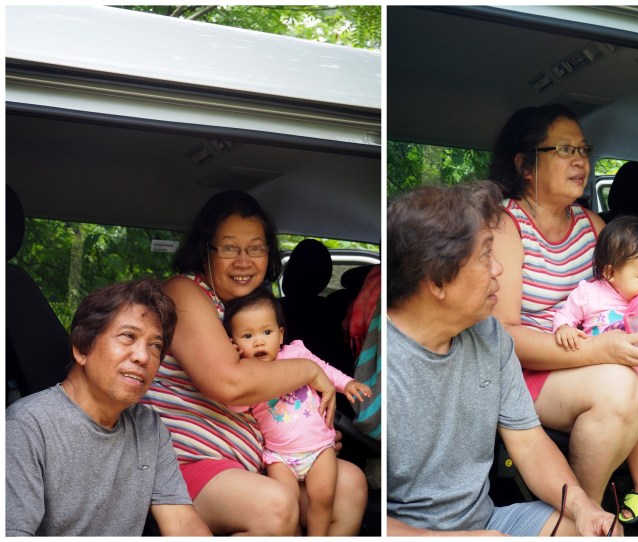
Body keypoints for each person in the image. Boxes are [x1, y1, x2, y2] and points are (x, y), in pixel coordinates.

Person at [488, 104, 638, 536]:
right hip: (527, 372)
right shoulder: (506, 225)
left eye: (583, 149)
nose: (581, 160)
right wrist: (600, 350)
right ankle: (584, 515)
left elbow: (631, 298)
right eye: (564, 149)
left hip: (595, 358)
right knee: (618, 387)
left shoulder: (591, 225)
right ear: (525, 165)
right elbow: (502, 335)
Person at [387, 180, 620, 536]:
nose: (499, 269)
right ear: (436, 280)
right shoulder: (387, 363)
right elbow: (372, 518)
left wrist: (581, 504)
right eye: (485, 255)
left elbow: (527, 442)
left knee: (599, 532)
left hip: (488, 522)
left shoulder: (491, 336)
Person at [140, 190, 368, 536]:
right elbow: (230, 383)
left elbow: (265, 398)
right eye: (229, 248)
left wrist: (307, 435)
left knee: (350, 484)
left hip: (252, 460)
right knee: (275, 505)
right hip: (188, 464)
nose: (244, 260)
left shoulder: (254, 314)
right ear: (205, 251)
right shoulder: (184, 292)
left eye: (256, 248)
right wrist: (310, 370)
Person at [6, 279, 212, 536]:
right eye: (128, 336)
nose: (143, 356)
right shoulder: (25, 427)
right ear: (83, 348)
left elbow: (182, 523)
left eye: (155, 346)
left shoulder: (149, 427)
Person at [552, 216, 638, 524]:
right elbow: (564, 318)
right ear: (611, 273)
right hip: (616, 387)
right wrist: (565, 331)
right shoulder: (588, 294)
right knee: (631, 443)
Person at [222, 288, 371, 536]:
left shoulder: (296, 354)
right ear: (234, 343)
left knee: (323, 499)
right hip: (279, 456)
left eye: (266, 332)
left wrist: (346, 384)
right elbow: (236, 404)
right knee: (286, 505)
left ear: (280, 335)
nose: (259, 341)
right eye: (247, 336)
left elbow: (324, 370)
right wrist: (232, 361)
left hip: (320, 448)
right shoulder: (246, 375)